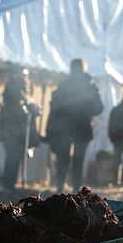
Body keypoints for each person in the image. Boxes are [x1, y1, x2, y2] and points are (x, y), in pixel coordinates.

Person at [45, 58, 103, 193]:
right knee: (78, 161)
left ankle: (61, 190)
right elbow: (98, 108)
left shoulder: (64, 85)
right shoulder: (89, 86)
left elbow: (54, 107)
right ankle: (75, 191)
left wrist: (52, 130)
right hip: (80, 128)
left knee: (63, 160)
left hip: (65, 129)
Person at [0, 67, 40, 190]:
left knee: (15, 157)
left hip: (19, 129)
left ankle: (10, 183)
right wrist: (30, 109)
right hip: (13, 129)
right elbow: (18, 107)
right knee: (12, 157)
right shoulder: (14, 88)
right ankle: (8, 184)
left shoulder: (22, 88)